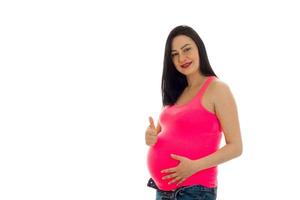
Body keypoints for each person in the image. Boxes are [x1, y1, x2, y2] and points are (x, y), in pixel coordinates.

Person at [145, 25, 243, 200]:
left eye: (187, 49)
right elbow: (162, 133)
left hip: (193, 191)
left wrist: (194, 166)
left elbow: (236, 147)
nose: (182, 58)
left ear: (199, 48)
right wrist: (151, 137)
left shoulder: (217, 89)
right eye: (174, 54)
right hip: (163, 191)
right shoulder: (176, 92)